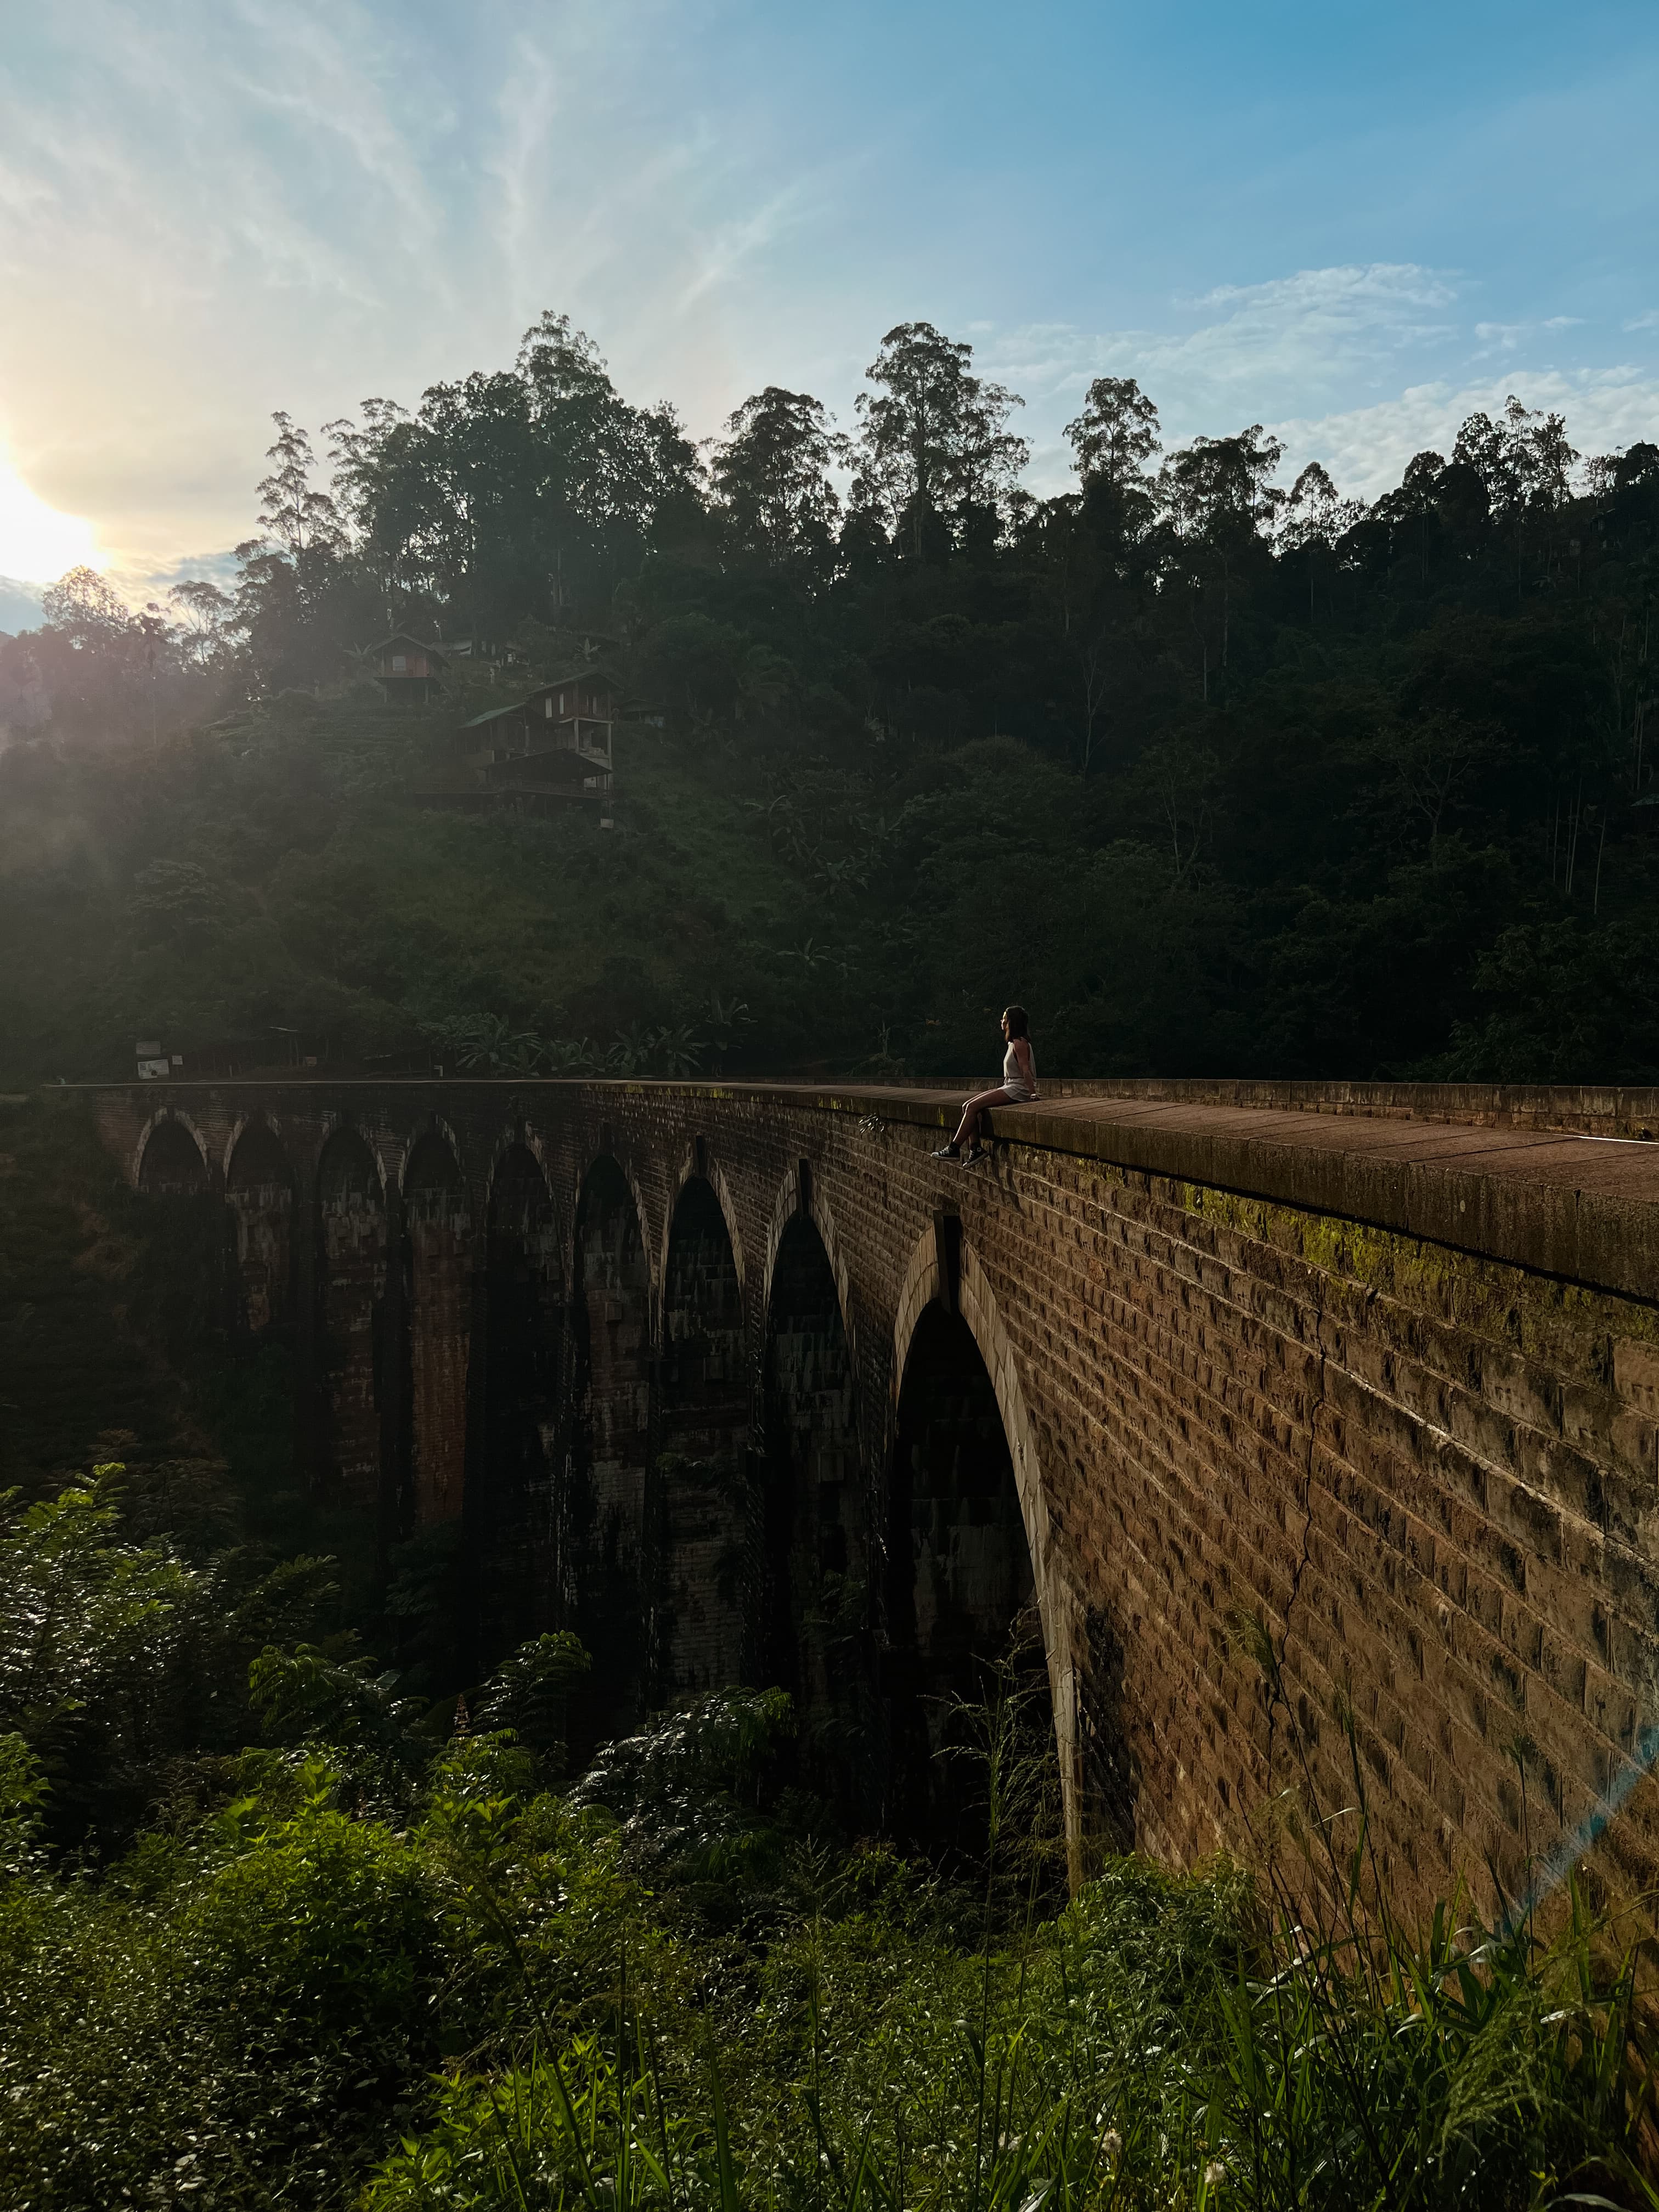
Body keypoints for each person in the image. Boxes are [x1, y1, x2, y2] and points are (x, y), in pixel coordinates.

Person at [932, 1006, 1037, 1164]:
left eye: (1004, 1018)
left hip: (1018, 1089)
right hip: (1010, 1086)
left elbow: (1025, 1070)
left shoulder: (1019, 1043)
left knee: (972, 1107)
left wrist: (1033, 1093)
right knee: (967, 1106)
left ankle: (954, 1148)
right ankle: (975, 1149)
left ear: (1011, 1022)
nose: (1002, 1021)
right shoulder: (1013, 1043)